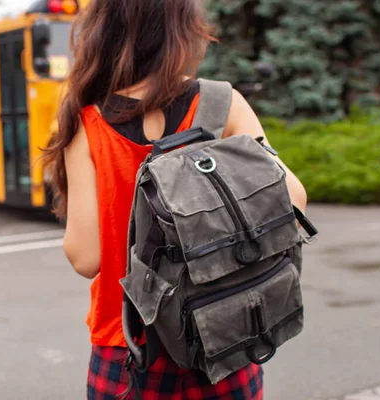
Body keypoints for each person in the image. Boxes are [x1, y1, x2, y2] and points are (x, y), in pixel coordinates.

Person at [43, 0, 308, 398]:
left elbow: (86, 258)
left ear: (104, 32)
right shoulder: (222, 103)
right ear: (183, 30)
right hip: (224, 333)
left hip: (129, 348)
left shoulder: (88, 122)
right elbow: (293, 199)